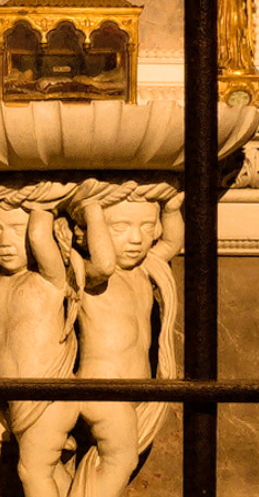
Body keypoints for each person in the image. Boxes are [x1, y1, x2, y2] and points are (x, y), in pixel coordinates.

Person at [68, 180, 183, 497]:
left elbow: (172, 242)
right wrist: (92, 209)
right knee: (122, 458)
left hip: (134, 388)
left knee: (110, 460)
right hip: (102, 384)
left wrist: (172, 209)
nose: (136, 239)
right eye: (119, 228)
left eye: (146, 227)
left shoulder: (145, 269)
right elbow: (104, 264)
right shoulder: (89, 274)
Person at [0, 196, 78, 497]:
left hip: (46, 398)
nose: (4, 242)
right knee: (48, 471)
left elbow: (38, 234)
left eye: (15, 229)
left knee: (32, 471)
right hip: (12, 401)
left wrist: (41, 198)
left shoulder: (49, 279)